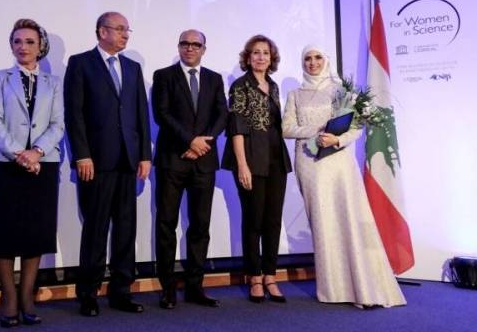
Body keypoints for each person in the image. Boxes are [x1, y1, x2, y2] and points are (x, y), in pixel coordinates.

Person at [281, 45, 406, 308]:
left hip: (338, 161)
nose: (312, 62)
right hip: (309, 163)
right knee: (323, 222)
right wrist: (316, 131)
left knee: (349, 218)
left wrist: (336, 139)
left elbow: (356, 129)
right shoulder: (295, 94)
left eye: (317, 57)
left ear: (326, 60)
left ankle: (363, 285)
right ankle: (334, 288)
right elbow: (287, 129)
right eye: (307, 58)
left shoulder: (341, 91)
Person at [64, 11, 151, 316]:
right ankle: (88, 293)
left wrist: (145, 155)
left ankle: (121, 292)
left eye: (128, 30)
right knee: (96, 229)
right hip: (96, 162)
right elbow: (74, 114)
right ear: (102, 32)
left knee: (126, 229)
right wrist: (81, 154)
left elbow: (141, 114)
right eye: (120, 29)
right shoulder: (81, 63)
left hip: (128, 160)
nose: (126, 34)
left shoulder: (132, 67)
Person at [0, 18, 64, 327]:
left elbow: (58, 124)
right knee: (3, 231)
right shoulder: (0, 78)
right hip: (4, 164)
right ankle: (8, 296)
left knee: (35, 231)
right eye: (17, 41)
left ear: (40, 47)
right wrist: (19, 154)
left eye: (29, 42)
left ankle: (27, 295)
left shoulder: (54, 83)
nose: (23, 47)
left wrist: (36, 152)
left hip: (43, 164)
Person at [152, 29, 227, 309]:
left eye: (196, 44)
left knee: (200, 226)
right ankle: (168, 288)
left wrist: (202, 144)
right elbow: (162, 114)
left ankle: (195, 287)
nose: (190, 48)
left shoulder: (214, 78)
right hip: (172, 160)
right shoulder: (164, 76)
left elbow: (222, 114)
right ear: (179, 46)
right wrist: (190, 140)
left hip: (203, 162)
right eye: (185, 43)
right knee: (166, 224)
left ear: (204, 49)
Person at [222, 35, 292, 303]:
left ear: (271, 58)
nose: (261, 57)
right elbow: (236, 128)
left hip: (276, 160)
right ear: (248, 57)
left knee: (273, 220)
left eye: (265, 53)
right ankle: (254, 277)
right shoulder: (240, 86)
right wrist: (242, 165)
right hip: (251, 159)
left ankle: (270, 276)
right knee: (254, 220)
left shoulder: (273, 86)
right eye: (256, 52)